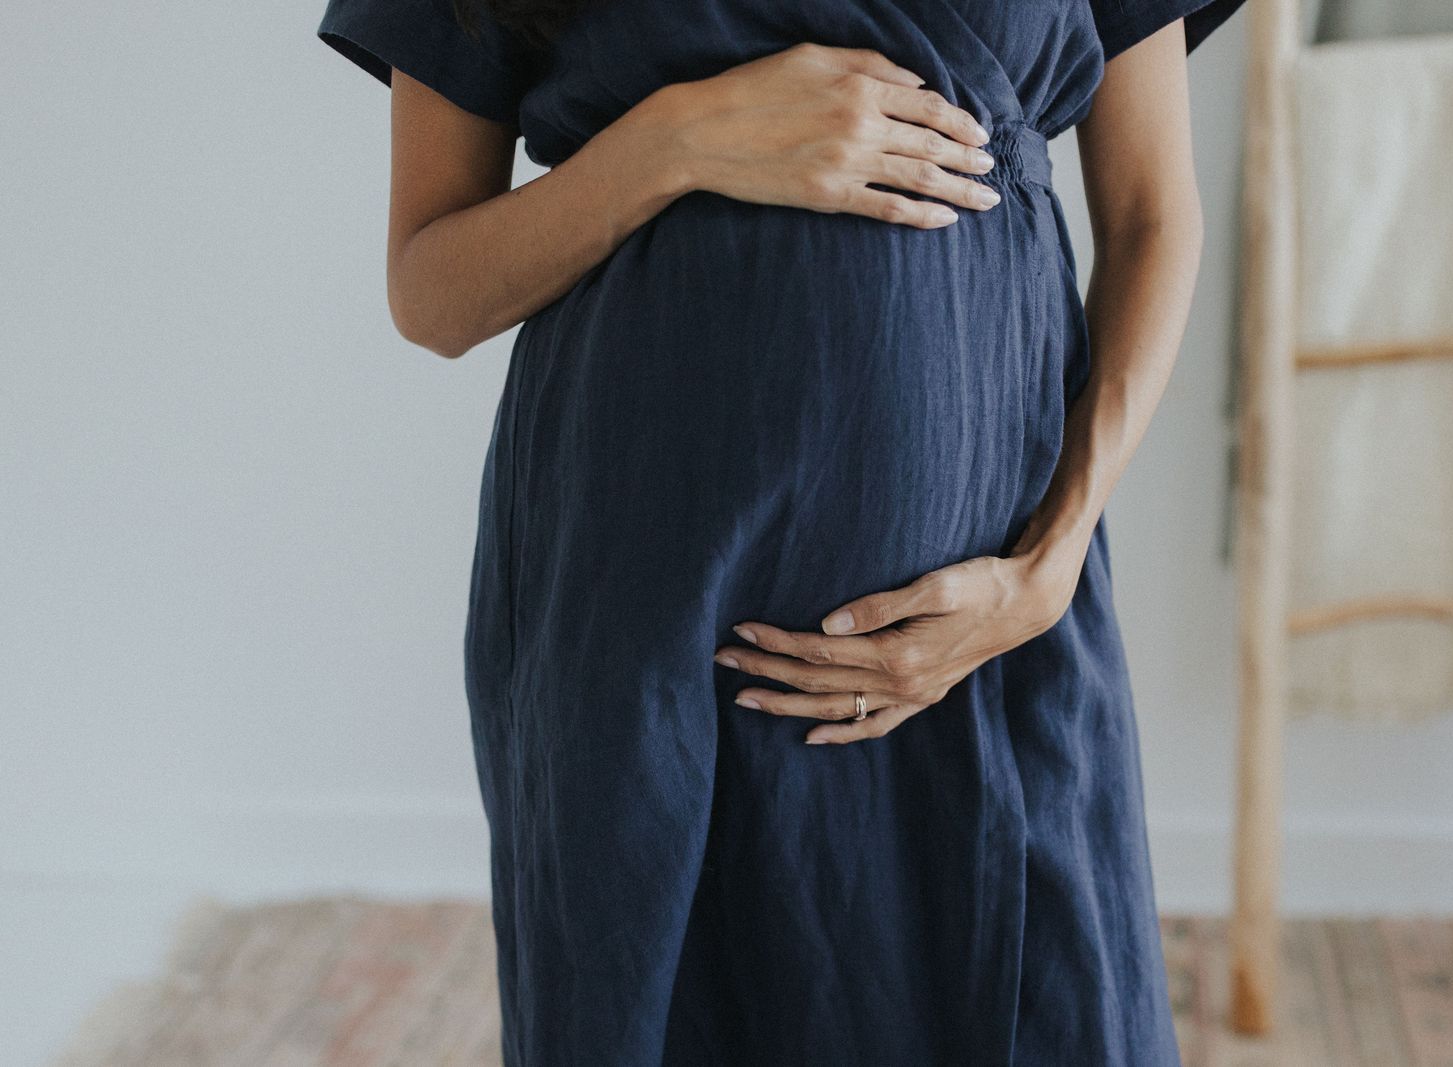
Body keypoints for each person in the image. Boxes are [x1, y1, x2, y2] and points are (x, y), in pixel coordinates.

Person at [316, 0, 1245, 1062]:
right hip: (647, 618)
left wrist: (1050, 560)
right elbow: (431, 290)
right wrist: (671, 142)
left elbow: (1152, 216)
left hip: (989, 617)